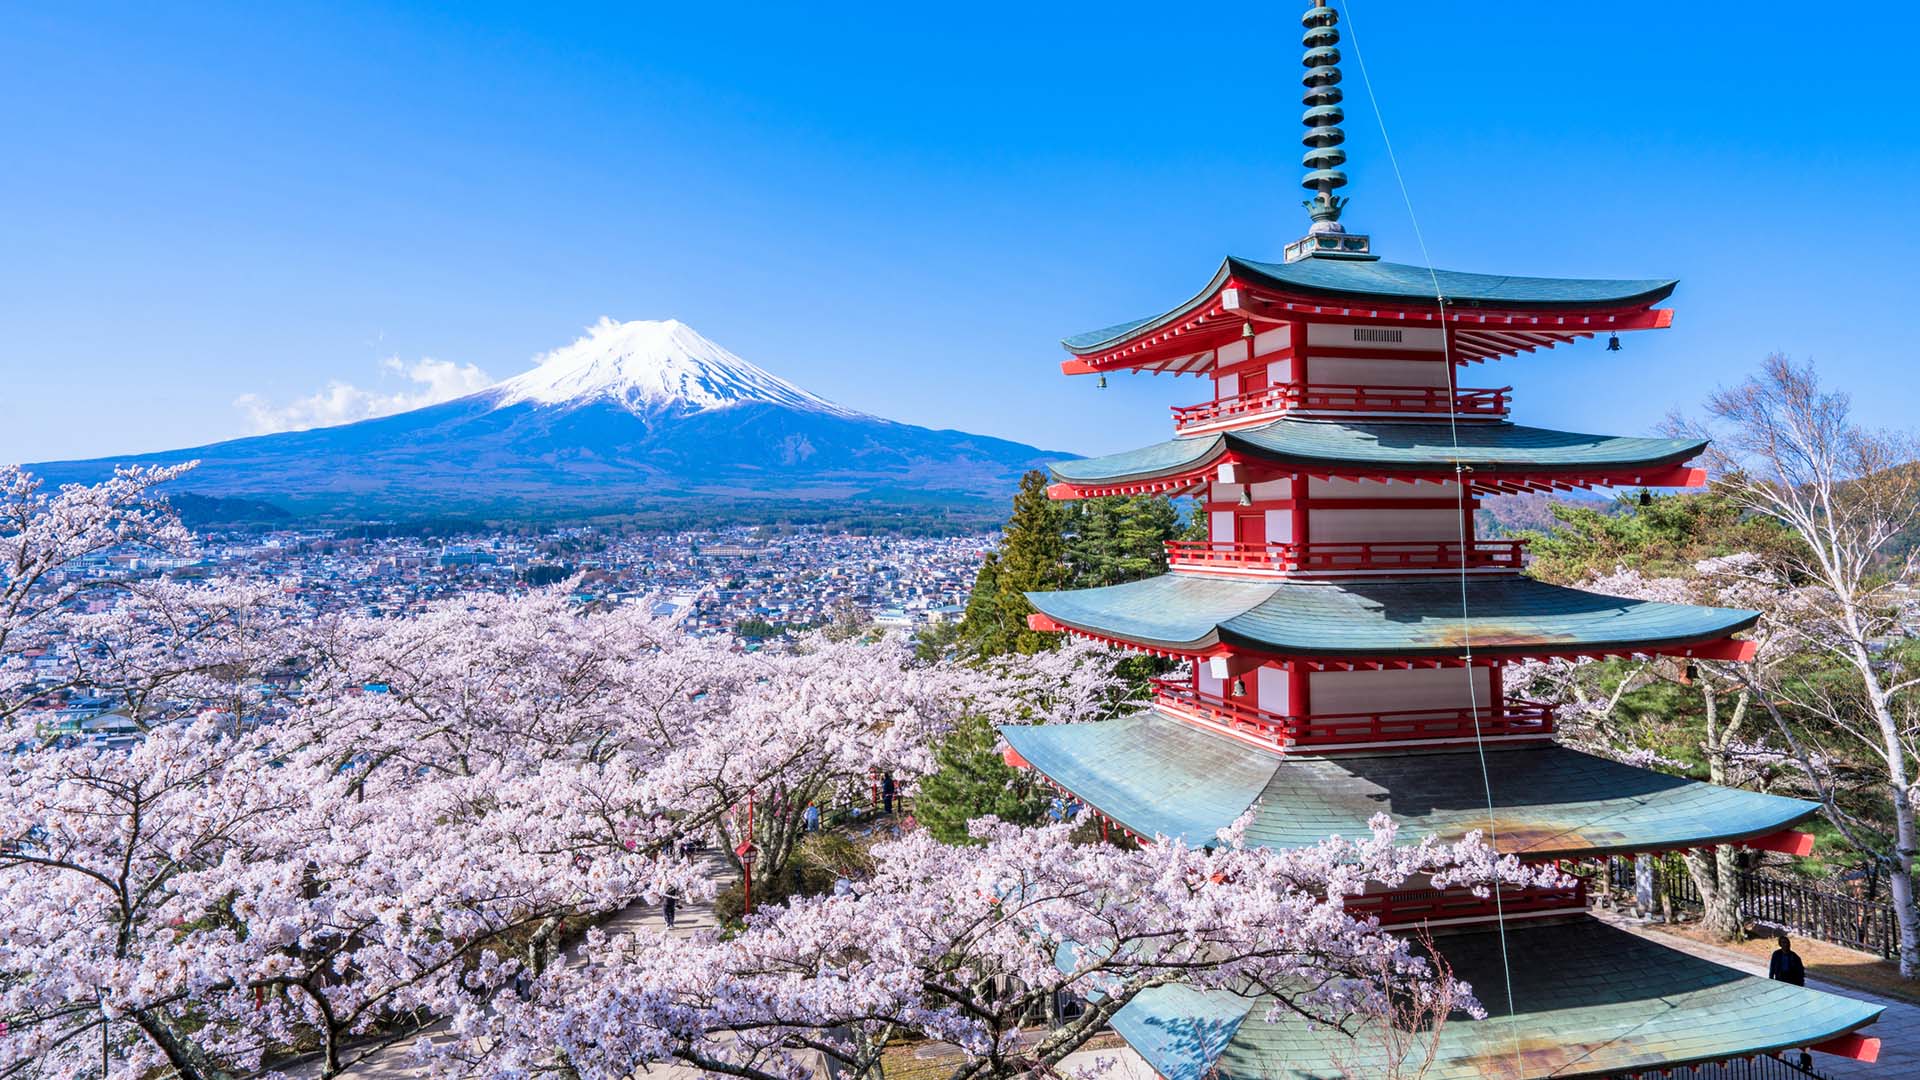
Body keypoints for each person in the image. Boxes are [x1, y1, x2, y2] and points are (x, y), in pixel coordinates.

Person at [1770, 934, 1813, 1070]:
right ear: (1780, 944)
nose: (1785, 945)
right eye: (1783, 942)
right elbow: (1773, 967)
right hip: (1781, 978)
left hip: (1792, 980)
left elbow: (1800, 972)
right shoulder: (1776, 955)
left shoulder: (1794, 957)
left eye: (1787, 942)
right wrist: (1771, 979)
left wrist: (1800, 986)